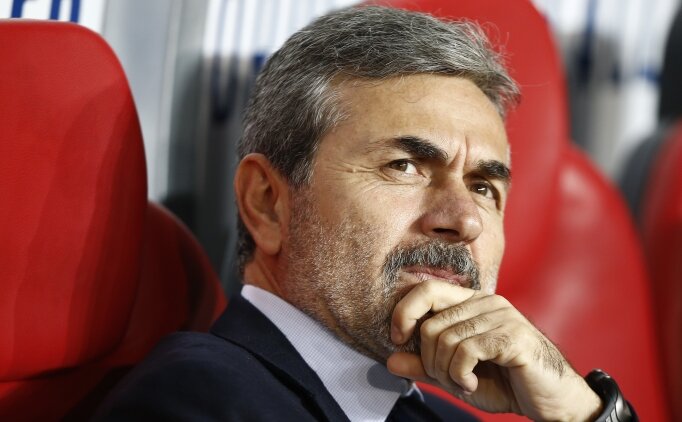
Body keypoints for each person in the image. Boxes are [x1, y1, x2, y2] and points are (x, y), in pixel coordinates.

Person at [95, 5, 637, 421]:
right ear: (267, 203)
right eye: (405, 166)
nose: (464, 219)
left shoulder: (447, 417)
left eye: (483, 187)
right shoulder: (197, 399)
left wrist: (581, 411)